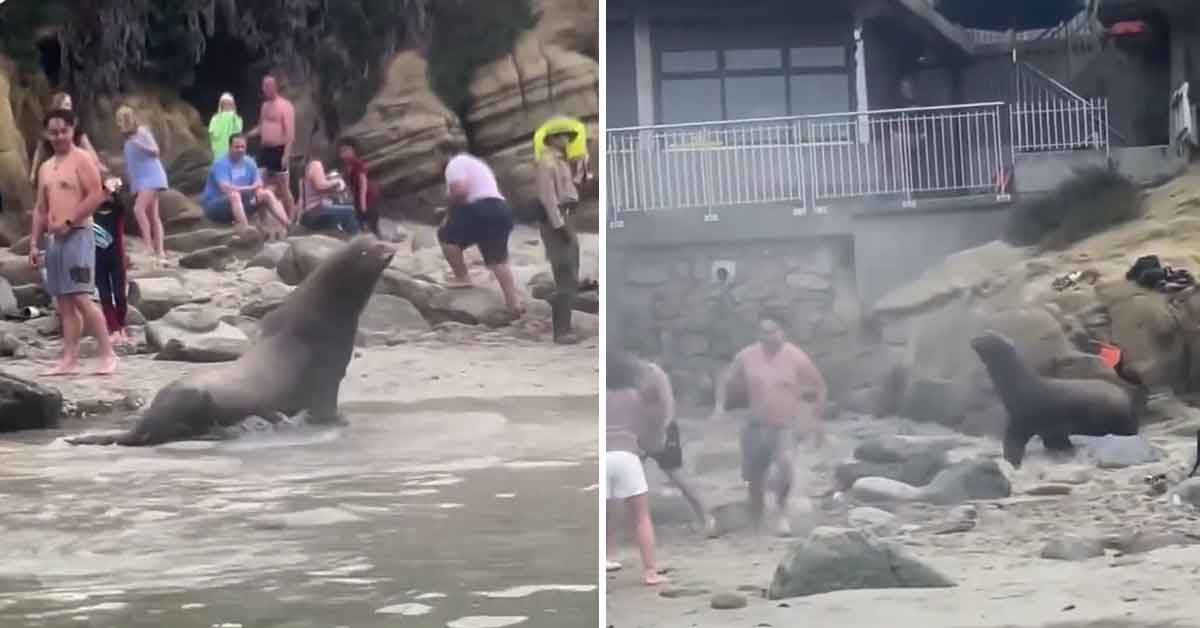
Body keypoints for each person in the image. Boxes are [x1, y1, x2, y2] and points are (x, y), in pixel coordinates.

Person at [711, 312, 828, 536]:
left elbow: (820, 386)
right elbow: (725, 380)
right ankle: (756, 519)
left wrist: (816, 420)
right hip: (756, 424)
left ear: (782, 332)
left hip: (786, 425)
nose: (768, 336)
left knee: (785, 464)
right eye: (763, 332)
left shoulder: (795, 356)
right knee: (755, 477)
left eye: (773, 331)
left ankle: (782, 512)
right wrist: (719, 407)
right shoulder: (747, 356)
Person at [28, 108, 118, 376]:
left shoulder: (82, 159)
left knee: (81, 296)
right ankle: (69, 359)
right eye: (53, 132)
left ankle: (108, 354)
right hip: (53, 240)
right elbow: (40, 209)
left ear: (72, 129)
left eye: (63, 131)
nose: (58, 137)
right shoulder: (45, 167)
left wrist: (69, 221)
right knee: (63, 302)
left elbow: (96, 195)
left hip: (78, 234)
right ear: (47, 134)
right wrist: (34, 243)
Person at [633, 355, 719, 538]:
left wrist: (663, 432)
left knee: (678, 476)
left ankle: (707, 518)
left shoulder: (655, 374)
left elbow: (668, 404)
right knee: (630, 478)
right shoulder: (627, 375)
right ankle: (632, 523)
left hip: (662, 430)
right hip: (638, 432)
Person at [606, 350, 668, 586]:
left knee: (605, 512)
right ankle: (650, 572)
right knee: (641, 516)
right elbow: (646, 429)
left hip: (603, 455)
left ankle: (604, 559)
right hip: (627, 455)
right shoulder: (634, 397)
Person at [438, 153, 522, 314]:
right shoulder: (477, 163)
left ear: (440, 153)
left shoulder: (455, 163)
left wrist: (449, 212)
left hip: (480, 208)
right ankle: (513, 303)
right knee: (498, 259)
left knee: (445, 235)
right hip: (502, 209)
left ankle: (462, 277)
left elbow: (460, 192)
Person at [534, 124, 582, 345]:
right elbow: (548, 197)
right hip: (557, 220)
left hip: (566, 217)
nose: (566, 140)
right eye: (563, 136)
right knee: (565, 271)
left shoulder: (561, 161)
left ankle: (565, 325)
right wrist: (558, 225)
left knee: (571, 271)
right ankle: (561, 330)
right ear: (552, 138)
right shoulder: (547, 162)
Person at [201, 134, 290, 230]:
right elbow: (225, 189)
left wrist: (258, 191)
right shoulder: (220, 164)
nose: (240, 150)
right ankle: (247, 231)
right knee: (234, 195)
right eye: (237, 147)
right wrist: (251, 188)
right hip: (215, 206)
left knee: (266, 193)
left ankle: (288, 225)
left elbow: (258, 184)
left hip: (242, 202)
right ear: (230, 147)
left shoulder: (249, 162)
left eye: (242, 147)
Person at [116, 105, 169, 262]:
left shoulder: (142, 132)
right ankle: (160, 251)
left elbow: (155, 151)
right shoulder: (126, 138)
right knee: (153, 215)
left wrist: (138, 144)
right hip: (141, 179)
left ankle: (148, 245)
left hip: (152, 177)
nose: (118, 124)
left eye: (120, 120)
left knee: (139, 209)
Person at [247, 75, 297, 222]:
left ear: (276, 87)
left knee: (284, 188)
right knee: (260, 186)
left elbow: (290, 133)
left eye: (268, 85)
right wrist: (248, 135)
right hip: (265, 150)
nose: (265, 88)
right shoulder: (265, 106)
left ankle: (292, 219)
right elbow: (261, 126)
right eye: (264, 85)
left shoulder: (285, 105)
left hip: (279, 149)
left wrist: (286, 155)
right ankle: (263, 220)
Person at [29, 92, 106, 184]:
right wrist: (33, 172)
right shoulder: (49, 124)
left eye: (70, 105)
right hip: (54, 168)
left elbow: (87, 146)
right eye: (66, 104)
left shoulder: (75, 126)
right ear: (58, 105)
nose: (69, 108)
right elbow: (40, 149)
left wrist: (98, 165)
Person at [93, 176, 130, 344]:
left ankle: (122, 326)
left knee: (120, 294)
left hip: (117, 257)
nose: (105, 195)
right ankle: (113, 328)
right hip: (97, 258)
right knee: (105, 295)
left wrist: (114, 188)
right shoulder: (91, 213)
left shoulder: (118, 211)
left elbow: (121, 203)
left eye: (107, 193)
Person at [300, 157, 360, 233]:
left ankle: (344, 234)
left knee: (341, 208)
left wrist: (333, 187)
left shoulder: (307, 170)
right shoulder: (316, 164)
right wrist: (337, 181)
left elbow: (321, 188)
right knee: (350, 211)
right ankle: (355, 238)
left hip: (310, 213)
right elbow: (320, 185)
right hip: (314, 211)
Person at [337, 137, 380, 237]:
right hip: (356, 197)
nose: (342, 154)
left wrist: (362, 203)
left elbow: (363, 184)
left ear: (352, 151)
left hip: (368, 197)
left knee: (371, 224)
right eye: (341, 151)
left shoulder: (358, 164)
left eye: (345, 150)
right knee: (359, 223)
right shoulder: (346, 166)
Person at [208, 92, 243, 161]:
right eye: (225, 104)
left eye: (229, 104)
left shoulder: (236, 118)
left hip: (232, 149)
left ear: (233, 105)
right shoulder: (215, 118)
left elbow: (239, 131)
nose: (227, 106)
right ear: (221, 105)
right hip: (218, 150)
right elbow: (211, 133)